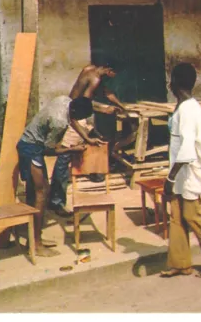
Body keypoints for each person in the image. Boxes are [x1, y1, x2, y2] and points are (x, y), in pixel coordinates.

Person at [17, 96, 106, 256]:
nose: (79, 120)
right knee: (40, 194)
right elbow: (48, 150)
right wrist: (72, 150)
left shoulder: (65, 100)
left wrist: (87, 139)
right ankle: (35, 245)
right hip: (31, 149)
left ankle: (34, 240)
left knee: (39, 193)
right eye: (80, 117)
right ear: (74, 110)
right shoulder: (58, 122)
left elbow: (73, 121)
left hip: (33, 146)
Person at [161, 63, 201, 279]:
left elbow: (187, 149)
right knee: (177, 216)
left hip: (190, 172)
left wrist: (169, 178)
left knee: (192, 214)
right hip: (181, 172)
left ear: (174, 85)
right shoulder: (182, 107)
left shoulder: (188, 110)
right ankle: (180, 263)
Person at [48, 63, 129, 217]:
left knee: (92, 140)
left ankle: (92, 174)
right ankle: (56, 201)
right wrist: (105, 109)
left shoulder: (94, 72)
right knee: (64, 158)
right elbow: (84, 104)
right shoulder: (95, 79)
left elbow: (108, 94)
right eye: (113, 74)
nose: (114, 77)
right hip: (74, 115)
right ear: (108, 69)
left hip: (77, 112)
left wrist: (122, 106)